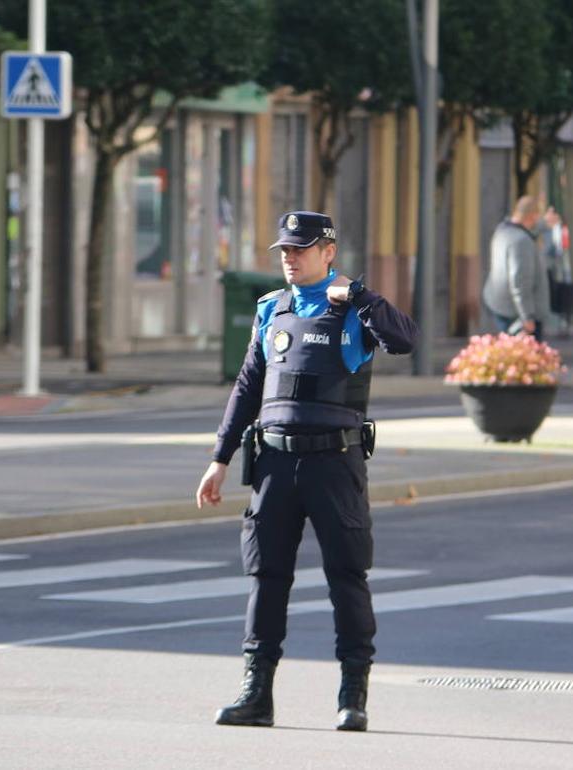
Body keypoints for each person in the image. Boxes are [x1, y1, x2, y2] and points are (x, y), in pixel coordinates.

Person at [196, 211, 419, 733]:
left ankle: (352, 696)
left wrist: (359, 297)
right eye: (284, 251)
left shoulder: (353, 310)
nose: (289, 258)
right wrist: (219, 459)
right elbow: (248, 388)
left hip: (333, 463)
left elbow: (405, 339)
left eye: (300, 249)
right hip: (274, 461)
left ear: (328, 253)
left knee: (346, 576)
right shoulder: (271, 309)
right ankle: (256, 694)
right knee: (267, 577)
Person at [482, 196, 554, 340]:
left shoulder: (503, 230)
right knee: (527, 358)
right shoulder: (522, 242)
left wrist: (544, 224)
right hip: (516, 313)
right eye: (536, 218)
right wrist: (527, 317)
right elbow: (520, 282)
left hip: (499, 303)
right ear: (532, 216)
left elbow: (526, 229)